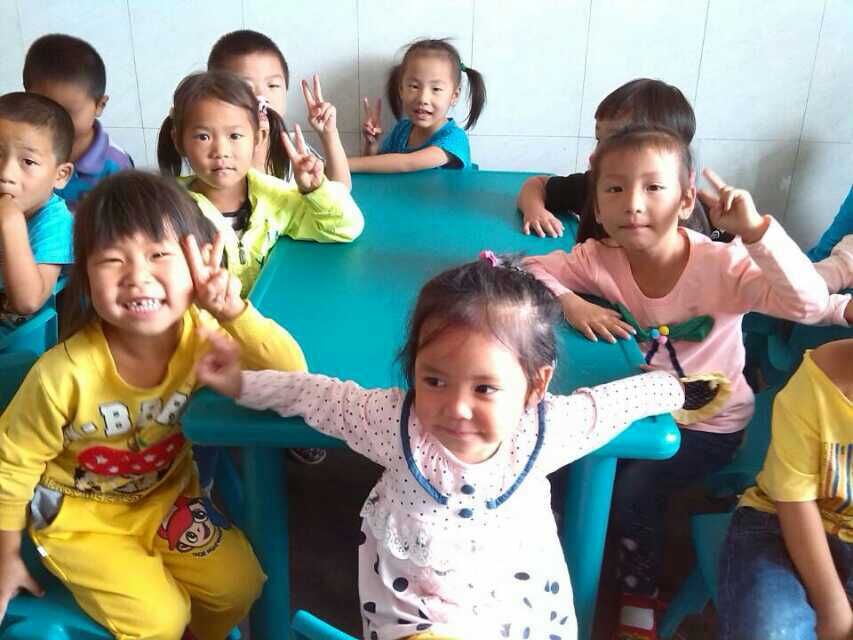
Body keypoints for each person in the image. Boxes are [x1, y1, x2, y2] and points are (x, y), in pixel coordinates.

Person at [196, 253, 684, 638]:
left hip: (514, 607)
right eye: (434, 380)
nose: (456, 408)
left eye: (484, 388)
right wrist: (242, 385)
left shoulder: (544, 429)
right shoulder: (396, 422)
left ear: (535, 386)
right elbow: (317, 396)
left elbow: (606, 406)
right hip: (412, 613)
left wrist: (675, 388)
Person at [523, 126, 852, 640]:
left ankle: (639, 592)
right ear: (598, 205)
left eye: (653, 188)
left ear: (684, 199)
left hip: (711, 425)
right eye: (615, 189)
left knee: (635, 491)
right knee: (565, 469)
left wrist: (756, 232)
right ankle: (561, 579)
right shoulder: (599, 257)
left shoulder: (722, 263)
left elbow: (808, 303)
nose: (634, 204)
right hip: (640, 409)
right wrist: (572, 301)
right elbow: (527, 268)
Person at [0, 171, 308, 638]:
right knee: (160, 619)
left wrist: (233, 312)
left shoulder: (202, 334)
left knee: (239, 587)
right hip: (80, 519)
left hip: (167, 499)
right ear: (86, 277)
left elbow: (292, 375)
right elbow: (11, 463)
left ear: (198, 261)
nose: (138, 277)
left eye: (160, 255)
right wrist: (5, 556)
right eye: (112, 260)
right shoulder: (62, 374)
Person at [157, 70, 364, 293]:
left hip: (262, 313)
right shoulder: (165, 208)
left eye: (235, 136)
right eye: (203, 137)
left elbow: (346, 228)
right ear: (178, 141)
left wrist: (316, 190)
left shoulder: (273, 197)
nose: (221, 151)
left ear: (258, 138)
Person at [717, 338, 853, 640]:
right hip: (780, 524)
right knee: (771, 630)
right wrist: (833, 610)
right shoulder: (820, 379)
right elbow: (794, 501)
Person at [516, 78, 716, 242]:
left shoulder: (696, 239)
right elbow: (537, 184)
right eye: (598, 140)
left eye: (613, 144)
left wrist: (738, 230)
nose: (594, 156)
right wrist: (535, 210)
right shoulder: (600, 187)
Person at [208, 29, 351, 188]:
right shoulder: (214, 150)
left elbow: (340, 192)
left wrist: (329, 135)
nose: (261, 97)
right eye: (246, 87)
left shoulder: (293, 146)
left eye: (273, 85)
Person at [23, 33, 133, 211]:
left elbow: (127, 222)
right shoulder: (18, 148)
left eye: (67, 112)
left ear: (100, 105)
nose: (53, 122)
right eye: (43, 109)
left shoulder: (115, 165)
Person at [349, 38, 485, 173]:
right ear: (401, 90)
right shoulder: (401, 130)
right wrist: (371, 145)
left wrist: (343, 164)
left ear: (454, 96)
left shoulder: (455, 138)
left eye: (436, 89)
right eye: (414, 86)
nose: (423, 99)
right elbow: (375, 169)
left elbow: (407, 163)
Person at [0, 92, 74, 334]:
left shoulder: (56, 222)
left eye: (28, 162)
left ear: (60, 175)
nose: (6, 174)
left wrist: (11, 223)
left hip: (18, 341)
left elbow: (28, 302)